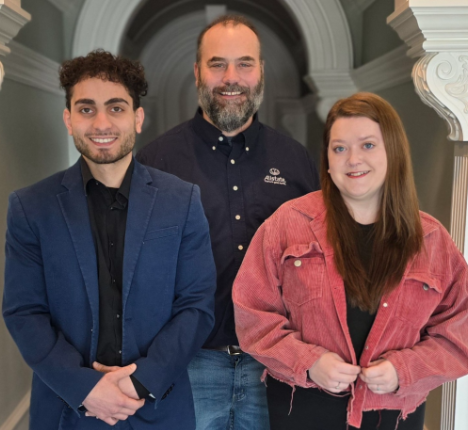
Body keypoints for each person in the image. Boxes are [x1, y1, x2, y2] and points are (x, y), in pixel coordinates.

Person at [233, 92, 468, 430]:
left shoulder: (432, 241)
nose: (352, 159)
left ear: (393, 152)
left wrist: (404, 370)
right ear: (327, 161)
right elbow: (253, 316)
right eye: (339, 148)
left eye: (368, 145)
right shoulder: (287, 224)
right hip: (303, 413)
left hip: (393, 418)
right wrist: (309, 362)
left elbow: (455, 339)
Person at [2, 50, 216, 430]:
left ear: (138, 118)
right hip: (68, 412)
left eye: (116, 108)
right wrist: (85, 388)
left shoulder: (182, 201)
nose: (101, 123)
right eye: (86, 109)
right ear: (69, 120)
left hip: (158, 408)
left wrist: (140, 382)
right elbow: (24, 312)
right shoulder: (30, 207)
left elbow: (196, 306)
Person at [136, 14, 319, 430]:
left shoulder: (295, 162)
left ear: (261, 72)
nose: (231, 77)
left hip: (276, 366)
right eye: (217, 64)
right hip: (188, 366)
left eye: (244, 64)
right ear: (197, 72)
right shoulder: (155, 163)